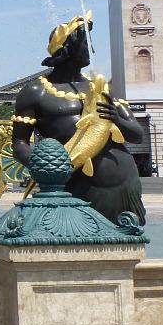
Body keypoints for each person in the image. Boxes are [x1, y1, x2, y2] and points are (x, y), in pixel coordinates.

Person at [10, 13, 147, 225]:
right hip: (76, 185)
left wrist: (117, 119)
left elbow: (136, 134)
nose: (91, 50)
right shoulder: (36, 92)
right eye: (86, 43)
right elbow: (19, 144)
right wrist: (47, 167)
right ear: (67, 49)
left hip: (125, 184)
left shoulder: (101, 88)